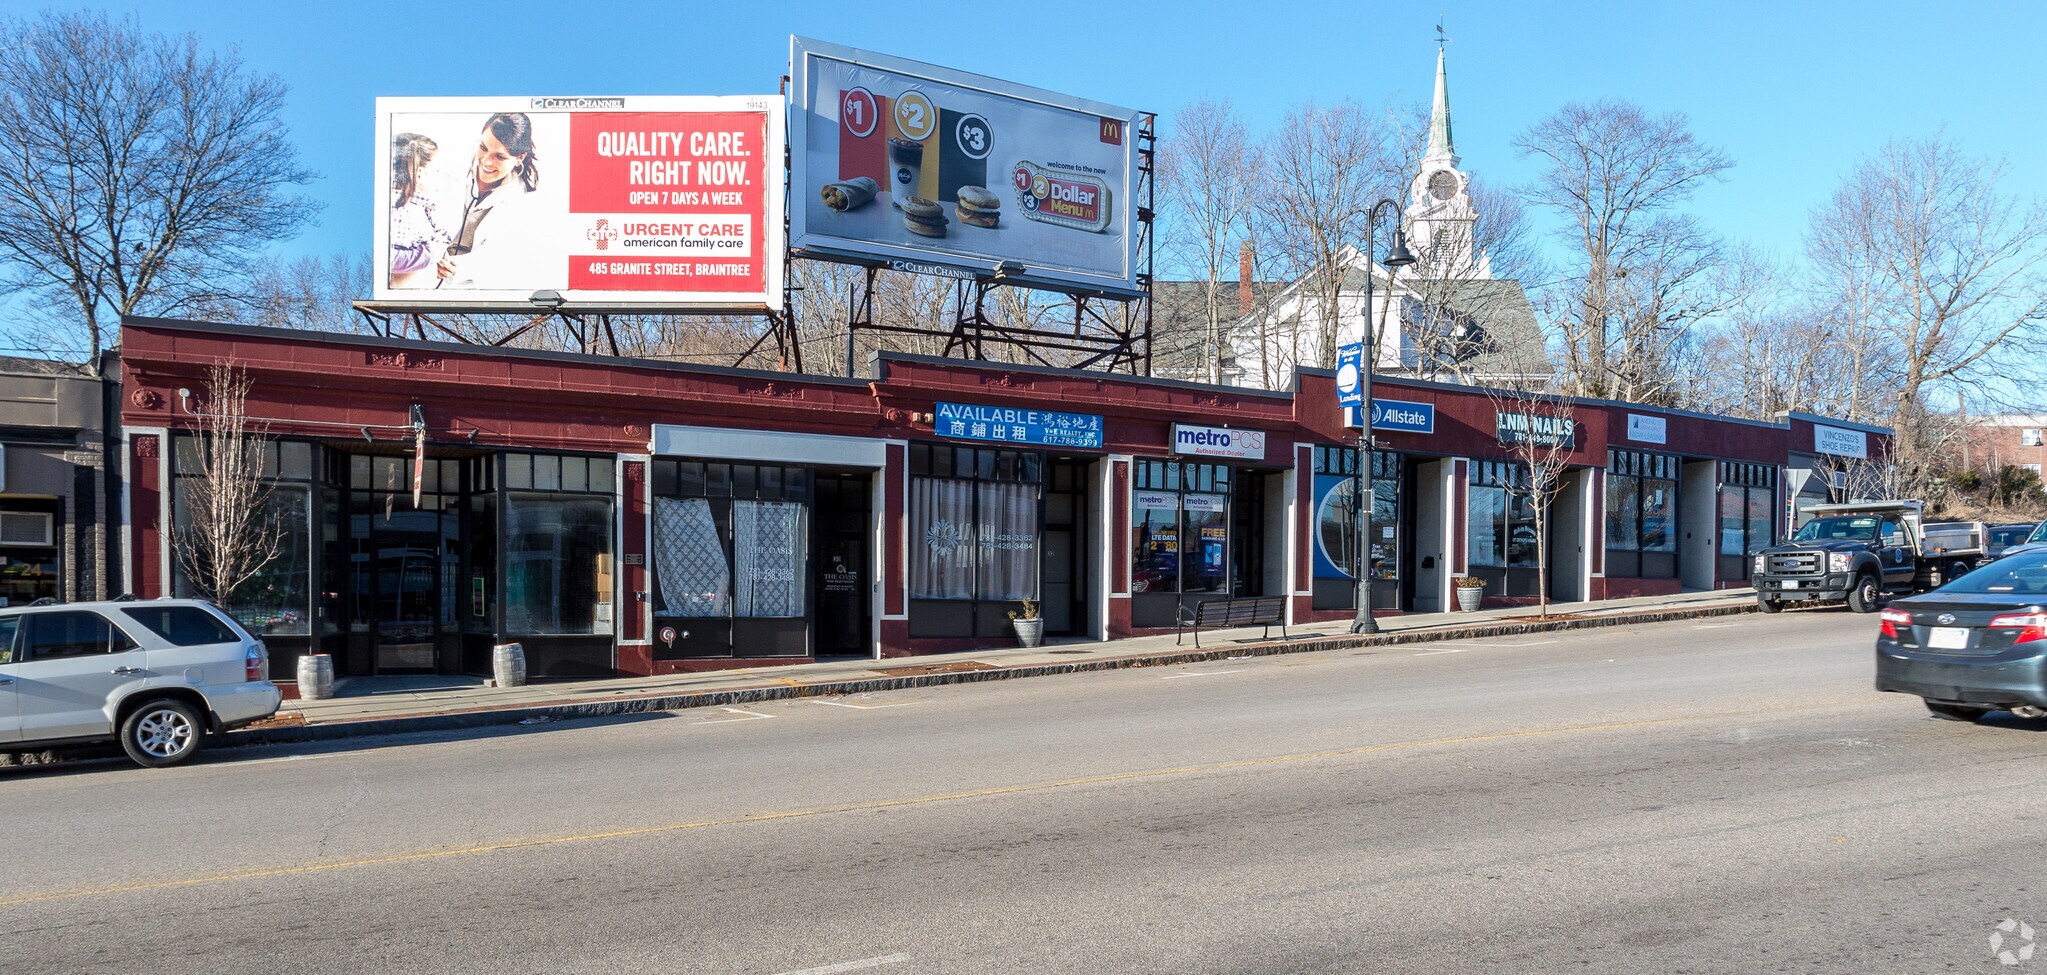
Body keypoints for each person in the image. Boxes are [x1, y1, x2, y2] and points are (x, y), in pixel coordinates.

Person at [436, 113, 541, 289]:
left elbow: (500, 260)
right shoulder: (443, 168)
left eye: (499, 157)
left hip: (463, 290)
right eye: (483, 148)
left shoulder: (522, 202)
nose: (486, 161)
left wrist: (457, 268)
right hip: (418, 273)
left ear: (519, 158)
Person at [388, 133, 452, 289]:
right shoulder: (400, 210)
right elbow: (391, 259)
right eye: (438, 171)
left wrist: (439, 261)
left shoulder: (421, 207)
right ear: (419, 174)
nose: (444, 176)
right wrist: (431, 255)